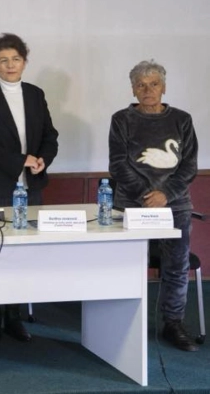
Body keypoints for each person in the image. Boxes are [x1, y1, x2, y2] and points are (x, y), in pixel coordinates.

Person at [0, 33, 58, 343]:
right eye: (3, 60)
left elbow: (50, 136)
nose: (10, 65)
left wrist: (43, 159)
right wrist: (21, 160)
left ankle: (14, 316)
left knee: (21, 254)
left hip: (29, 186)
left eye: (16, 59)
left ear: (25, 62)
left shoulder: (35, 94)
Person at [109, 60, 198, 352]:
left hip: (176, 206)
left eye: (154, 84)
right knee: (127, 264)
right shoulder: (121, 120)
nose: (148, 90)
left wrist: (166, 195)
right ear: (133, 89)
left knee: (176, 265)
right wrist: (148, 196)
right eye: (141, 85)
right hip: (131, 204)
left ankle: (173, 322)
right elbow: (118, 164)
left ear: (164, 87)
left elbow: (189, 166)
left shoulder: (182, 120)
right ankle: (124, 322)